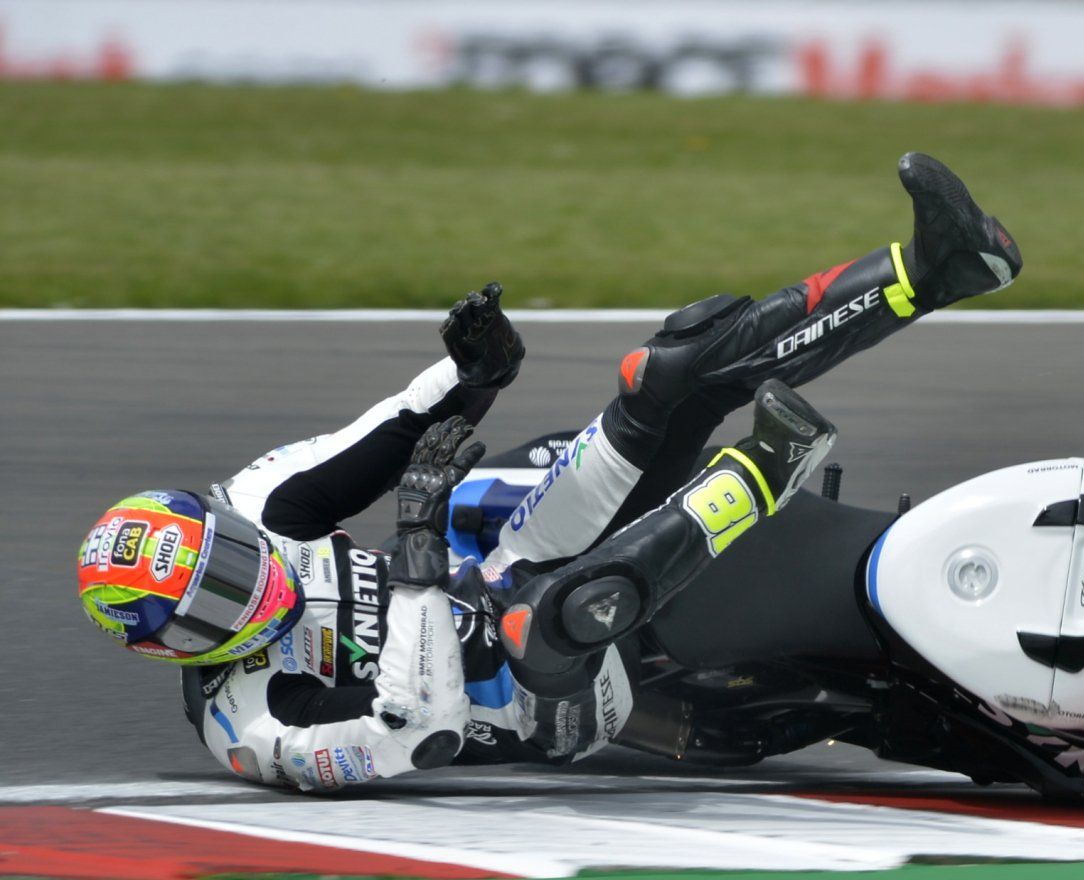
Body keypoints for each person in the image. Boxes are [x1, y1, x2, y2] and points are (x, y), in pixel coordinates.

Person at [74, 153, 1021, 791]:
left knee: (668, 374)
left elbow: (385, 434)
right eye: (204, 613)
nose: (240, 596)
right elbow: (416, 731)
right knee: (541, 618)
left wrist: (471, 373)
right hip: (553, 703)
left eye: (227, 565)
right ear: (167, 651)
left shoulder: (261, 503)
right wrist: (416, 557)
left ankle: (936, 269)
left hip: (507, 562)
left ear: (223, 525)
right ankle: (760, 476)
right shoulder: (247, 726)